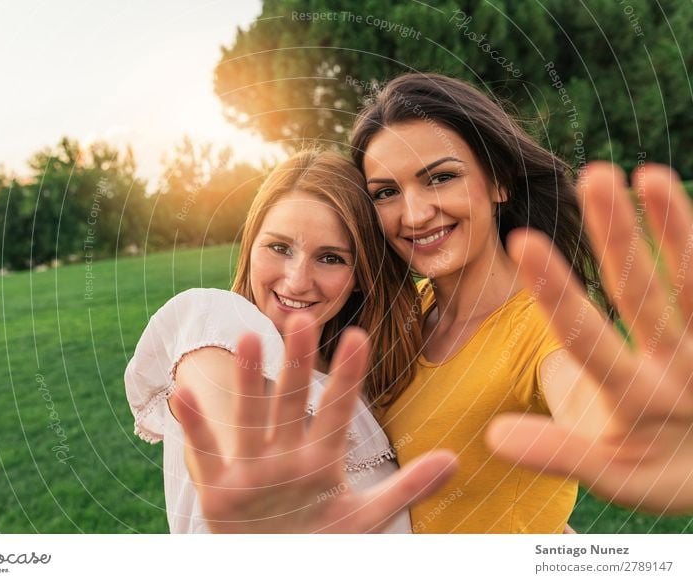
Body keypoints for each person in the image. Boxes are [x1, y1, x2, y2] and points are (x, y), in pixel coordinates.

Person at [171, 72, 693, 532]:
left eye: (440, 177)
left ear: (499, 182)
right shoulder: (403, 311)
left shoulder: (546, 326)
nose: (415, 214)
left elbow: (584, 397)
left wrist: (635, 435)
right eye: (385, 192)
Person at [124, 150, 457, 533]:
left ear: (362, 274)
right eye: (279, 248)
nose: (297, 280)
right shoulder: (217, 326)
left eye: (330, 258)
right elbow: (220, 400)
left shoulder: (364, 386)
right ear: (250, 245)